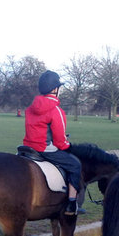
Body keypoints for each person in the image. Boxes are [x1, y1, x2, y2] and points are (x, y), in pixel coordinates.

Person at [23, 70, 81, 215]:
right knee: (75, 165)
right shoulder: (56, 110)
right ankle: (71, 204)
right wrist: (68, 145)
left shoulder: (30, 108)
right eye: (59, 87)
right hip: (45, 149)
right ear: (55, 89)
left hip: (27, 148)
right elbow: (60, 142)